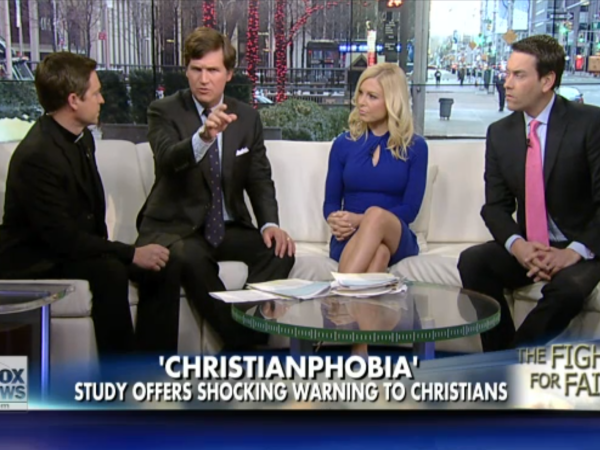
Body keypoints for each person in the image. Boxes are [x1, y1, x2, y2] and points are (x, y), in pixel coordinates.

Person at [135, 27, 296, 353]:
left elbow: (259, 178)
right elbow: (167, 159)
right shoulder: (163, 110)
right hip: (178, 227)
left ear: (229, 73)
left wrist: (269, 223)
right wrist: (203, 137)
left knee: (280, 251)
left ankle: (246, 330)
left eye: (212, 70)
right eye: (196, 69)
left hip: (225, 226)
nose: (203, 79)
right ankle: (243, 343)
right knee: (188, 256)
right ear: (186, 70)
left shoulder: (246, 117)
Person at [0, 52, 169, 361]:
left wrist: (127, 253)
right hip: (36, 257)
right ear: (74, 100)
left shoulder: (82, 139)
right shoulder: (38, 156)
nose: (102, 100)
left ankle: (153, 364)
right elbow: (62, 238)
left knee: (163, 267)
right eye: (96, 93)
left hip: (72, 247)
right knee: (109, 271)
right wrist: (129, 253)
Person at [458, 35, 600, 353]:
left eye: (518, 75)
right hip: (531, 246)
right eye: (507, 73)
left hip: (582, 247)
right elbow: (495, 207)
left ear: (547, 81)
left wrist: (573, 252)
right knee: (474, 261)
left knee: (569, 289)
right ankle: (500, 355)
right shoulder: (500, 133)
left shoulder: (589, 123)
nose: (506, 83)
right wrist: (518, 246)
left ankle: (507, 361)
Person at [323, 62, 428, 355]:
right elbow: (330, 203)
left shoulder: (415, 147)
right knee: (378, 254)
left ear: (392, 101)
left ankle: (337, 297)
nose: (361, 102)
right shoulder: (343, 144)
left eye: (372, 96)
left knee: (376, 216)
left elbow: (410, 209)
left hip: (397, 235)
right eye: (360, 93)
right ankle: (360, 348)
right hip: (350, 239)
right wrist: (335, 220)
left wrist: (361, 219)